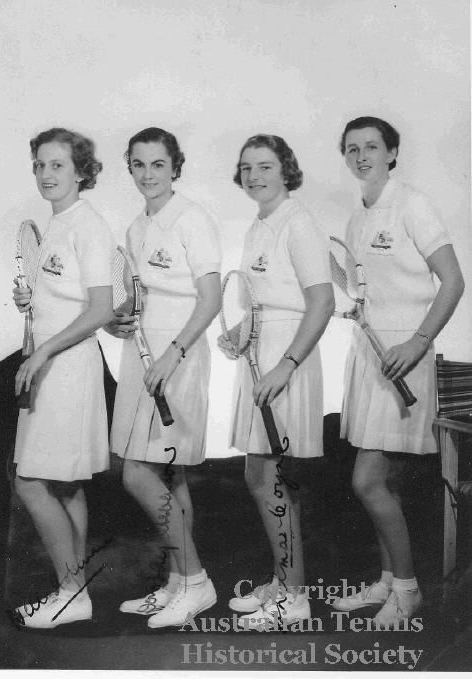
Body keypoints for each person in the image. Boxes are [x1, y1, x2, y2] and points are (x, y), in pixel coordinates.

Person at [331, 116, 464, 627]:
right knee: (385, 479)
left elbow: (453, 281)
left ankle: (408, 592)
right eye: (352, 149)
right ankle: (388, 582)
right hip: (371, 358)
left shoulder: (412, 204)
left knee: (368, 481)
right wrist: (326, 270)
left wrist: (419, 340)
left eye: (371, 147)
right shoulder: (356, 218)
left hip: (407, 357)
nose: (361, 156)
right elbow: (363, 290)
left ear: (391, 153)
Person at [107, 127, 221, 628]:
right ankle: (177, 583)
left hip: (178, 359)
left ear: (176, 166)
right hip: (141, 358)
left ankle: (196, 582)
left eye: (158, 164)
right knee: (168, 476)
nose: (148, 174)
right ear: (129, 168)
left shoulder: (192, 218)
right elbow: (133, 299)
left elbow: (212, 298)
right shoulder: (135, 228)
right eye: (139, 165)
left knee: (139, 472)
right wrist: (116, 320)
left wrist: (174, 354)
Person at [219, 134, 334, 628]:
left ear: (286, 169)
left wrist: (285, 365)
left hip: (288, 360)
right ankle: (284, 581)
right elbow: (267, 298)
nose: (254, 176)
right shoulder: (260, 223)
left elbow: (322, 302)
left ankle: (295, 596)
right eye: (246, 168)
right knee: (260, 476)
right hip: (262, 352)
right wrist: (241, 332)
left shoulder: (299, 222)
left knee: (269, 477)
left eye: (265, 166)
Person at [12, 128, 116, 628]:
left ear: (81, 171)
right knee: (66, 486)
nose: (46, 174)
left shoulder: (88, 226)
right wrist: (33, 308)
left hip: (67, 369)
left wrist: (44, 350)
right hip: (50, 365)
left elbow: (100, 309)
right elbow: (65, 297)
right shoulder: (55, 225)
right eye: (39, 165)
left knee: (31, 482)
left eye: (57, 165)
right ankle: (75, 594)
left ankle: (72, 592)